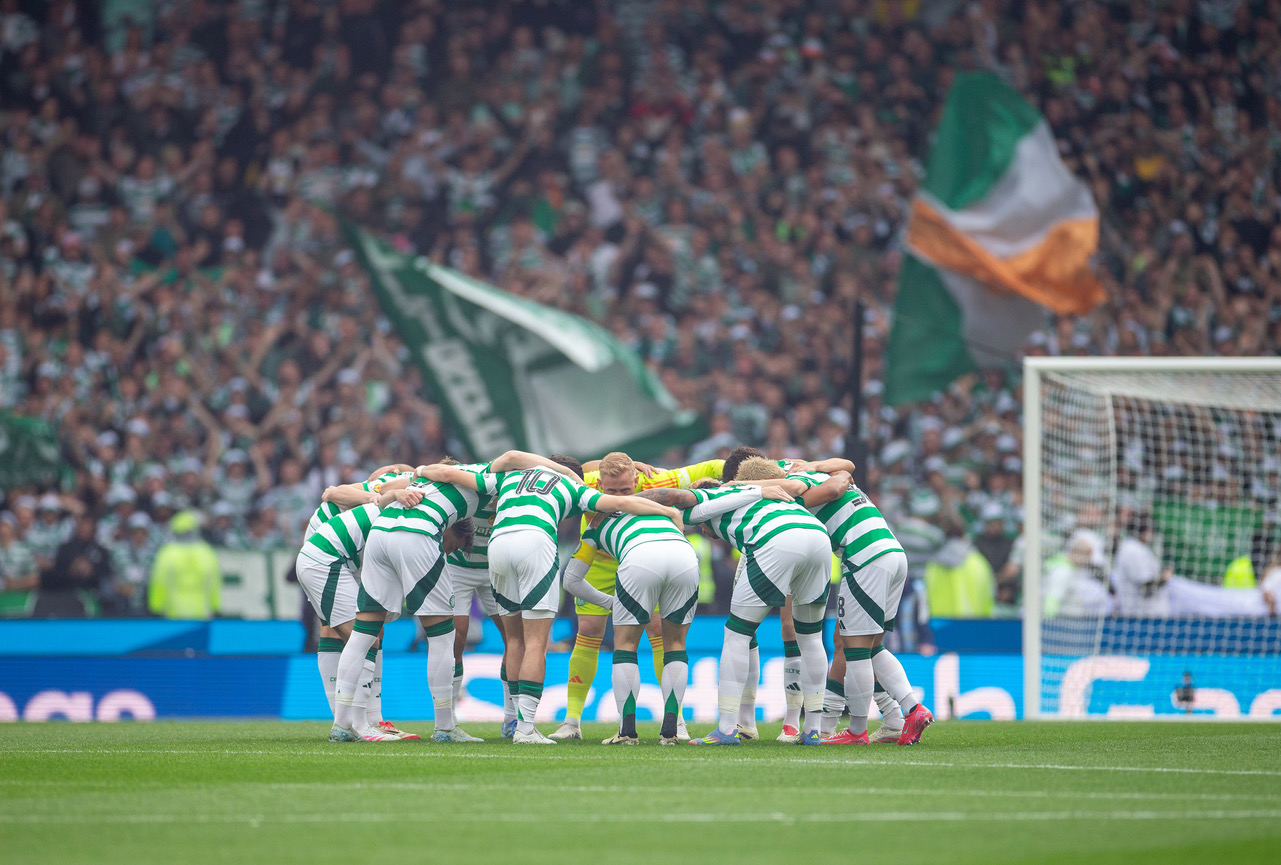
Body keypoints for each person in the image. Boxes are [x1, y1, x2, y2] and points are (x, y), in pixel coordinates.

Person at [421, 455, 684, 744]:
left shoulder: (507, 477)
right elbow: (620, 503)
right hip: (535, 541)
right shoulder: (572, 486)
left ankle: (508, 721)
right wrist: (667, 512)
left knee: (514, 639)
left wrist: (418, 471)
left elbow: (450, 472)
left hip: (498, 546)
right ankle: (523, 727)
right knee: (535, 641)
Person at [562, 482, 791, 744]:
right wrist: (759, 491)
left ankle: (627, 731)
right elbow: (715, 502)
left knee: (626, 645)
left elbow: (571, 580)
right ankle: (672, 728)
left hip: (639, 557)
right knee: (675, 644)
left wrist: (611, 603)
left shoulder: (594, 525)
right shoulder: (662, 509)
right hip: (684, 558)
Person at [737, 457, 934, 746]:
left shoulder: (791, 494)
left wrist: (742, 488)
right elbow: (848, 466)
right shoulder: (809, 470)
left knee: (855, 649)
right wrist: (821, 467)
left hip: (864, 558)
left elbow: (825, 489)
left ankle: (857, 730)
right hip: (893, 552)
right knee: (871, 646)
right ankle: (903, 714)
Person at [551, 451, 725, 742]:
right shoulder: (587, 482)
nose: (619, 498)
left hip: (640, 557)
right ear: (600, 483)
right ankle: (572, 721)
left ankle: (676, 719)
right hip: (599, 559)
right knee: (589, 631)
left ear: (637, 478)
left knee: (657, 630)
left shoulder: (659, 480)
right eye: (611, 491)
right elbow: (569, 470)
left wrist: (760, 472)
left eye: (625, 490)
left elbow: (711, 466)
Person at [676, 473, 838, 746]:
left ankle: (727, 729)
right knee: (811, 638)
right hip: (818, 536)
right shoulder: (758, 497)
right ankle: (812, 730)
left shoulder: (708, 503)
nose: (703, 531)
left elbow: (676, 506)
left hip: (778, 538)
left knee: (737, 634)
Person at [296, 484, 427, 742]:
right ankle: (356, 724)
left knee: (371, 633)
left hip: (340, 557)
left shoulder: (404, 504)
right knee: (363, 638)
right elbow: (331, 492)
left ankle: (367, 721)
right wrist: (384, 495)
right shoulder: (399, 496)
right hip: (326, 558)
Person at [147, 512, 221, 620]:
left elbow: (159, 581)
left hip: (173, 612)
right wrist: (216, 606)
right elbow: (214, 581)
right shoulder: (206, 552)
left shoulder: (167, 552)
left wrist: (155, 607)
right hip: (201, 612)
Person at [1111, 511, 1171, 617]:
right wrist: (1164, 578)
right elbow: (1145, 588)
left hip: (1146, 614)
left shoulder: (1137, 548)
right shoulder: (1133, 550)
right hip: (1140, 615)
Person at [1043, 529, 1112, 618]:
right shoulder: (1063, 571)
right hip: (1056, 621)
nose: (1089, 562)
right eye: (1088, 557)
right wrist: (1048, 620)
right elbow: (1052, 599)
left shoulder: (1069, 569)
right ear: (1079, 553)